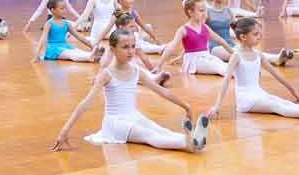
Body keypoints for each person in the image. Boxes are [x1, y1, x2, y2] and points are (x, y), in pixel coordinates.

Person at [50, 29, 207, 152]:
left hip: (133, 115)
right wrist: (65, 129)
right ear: (113, 49)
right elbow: (86, 103)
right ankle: (187, 143)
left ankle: (193, 138)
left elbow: (162, 91)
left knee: (160, 129)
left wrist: (185, 106)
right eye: (125, 47)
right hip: (115, 123)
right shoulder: (106, 74)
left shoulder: (136, 71)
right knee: (149, 135)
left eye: (133, 46)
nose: (131, 51)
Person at [201, 16, 299, 121]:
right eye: (255, 34)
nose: (259, 37)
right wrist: (217, 105)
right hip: (245, 100)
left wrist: (293, 90)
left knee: (282, 101)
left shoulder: (258, 54)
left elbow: (275, 73)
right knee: (275, 106)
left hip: (259, 93)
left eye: (260, 34)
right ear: (243, 37)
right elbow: (226, 81)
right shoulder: (236, 56)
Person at [30, 0, 99, 63]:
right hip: (53, 49)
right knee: (70, 54)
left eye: (65, 8)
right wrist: (36, 55)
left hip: (65, 46)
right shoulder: (49, 24)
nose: (64, 10)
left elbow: (79, 36)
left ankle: (93, 55)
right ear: (53, 10)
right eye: (62, 8)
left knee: (77, 51)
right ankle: (90, 56)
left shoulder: (66, 23)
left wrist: (91, 46)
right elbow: (43, 39)